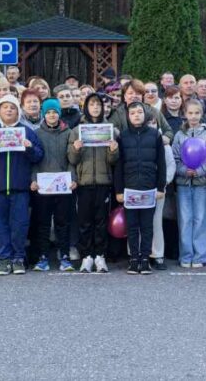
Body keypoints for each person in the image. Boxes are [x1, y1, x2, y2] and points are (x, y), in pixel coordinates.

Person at [0, 95, 44, 276]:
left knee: (20, 224)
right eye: (5, 107)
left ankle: (18, 258)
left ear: (18, 111)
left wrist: (29, 147)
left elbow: (39, 155)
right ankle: (5, 260)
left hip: (20, 187)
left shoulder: (26, 131)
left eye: (12, 107)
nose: (8, 110)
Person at [115, 102, 167, 275]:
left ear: (145, 115)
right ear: (128, 116)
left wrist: (160, 187)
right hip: (129, 189)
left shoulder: (155, 135)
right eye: (132, 113)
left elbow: (161, 163)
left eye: (139, 112)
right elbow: (119, 165)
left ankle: (145, 259)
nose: (136, 115)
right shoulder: (122, 136)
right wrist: (119, 190)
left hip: (149, 188)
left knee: (147, 225)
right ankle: (133, 259)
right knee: (132, 226)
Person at [69, 93, 118, 273]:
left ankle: (100, 256)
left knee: (101, 221)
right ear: (86, 107)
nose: (96, 108)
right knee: (84, 221)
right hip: (84, 183)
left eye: (99, 105)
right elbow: (71, 159)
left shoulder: (111, 130)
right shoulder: (77, 130)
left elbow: (115, 160)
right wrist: (76, 148)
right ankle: (86, 256)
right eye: (92, 104)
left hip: (104, 182)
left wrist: (113, 151)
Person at [30, 98, 77, 271]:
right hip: (43, 186)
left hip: (63, 186)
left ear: (59, 114)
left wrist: (73, 179)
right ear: (44, 114)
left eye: (55, 112)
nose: (52, 115)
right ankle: (43, 257)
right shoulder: (36, 133)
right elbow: (34, 160)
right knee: (42, 223)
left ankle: (64, 256)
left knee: (62, 222)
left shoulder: (68, 132)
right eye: (48, 112)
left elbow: (72, 159)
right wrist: (33, 179)